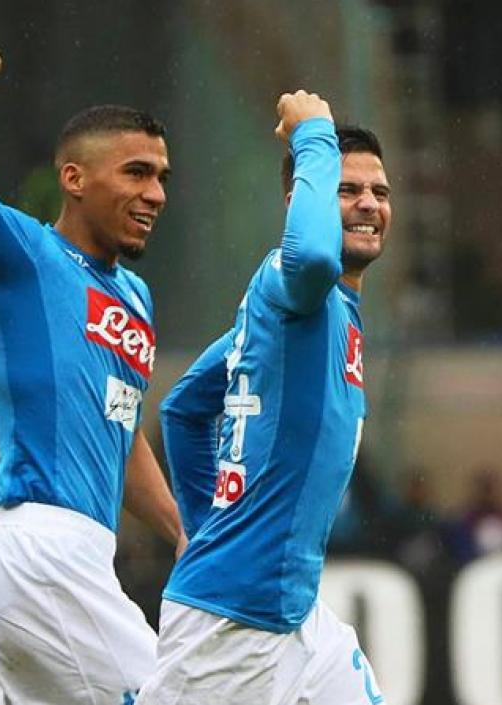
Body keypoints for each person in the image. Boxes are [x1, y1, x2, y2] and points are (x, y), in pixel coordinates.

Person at [0, 26, 185, 705]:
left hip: (31, 566)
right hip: (40, 550)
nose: (156, 194)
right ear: (74, 178)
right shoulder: (25, 255)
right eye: (136, 173)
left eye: (163, 177)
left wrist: (181, 528)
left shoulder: (135, 296)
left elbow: (119, 431)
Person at [141, 91, 390, 705]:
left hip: (298, 617)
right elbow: (309, 256)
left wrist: (200, 527)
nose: (367, 204)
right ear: (300, 201)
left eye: (380, 193)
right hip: (227, 626)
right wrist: (313, 134)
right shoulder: (296, 280)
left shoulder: (294, 320)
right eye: (346, 188)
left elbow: (186, 407)